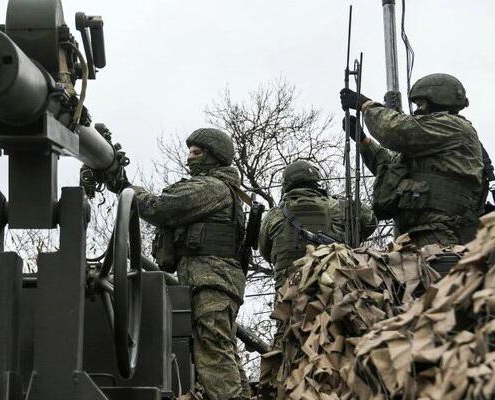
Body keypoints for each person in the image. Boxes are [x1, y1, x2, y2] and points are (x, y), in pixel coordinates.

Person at [128, 128, 251, 400]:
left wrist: (126, 189)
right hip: (212, 281)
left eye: (196, 153)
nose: (189, 159)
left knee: (214, 352)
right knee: (220, 349)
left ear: (213, 156)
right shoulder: (221, 188)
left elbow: (160, 207)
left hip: (211, 280)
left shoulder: (212, 187)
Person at [341, 73, 484, 247]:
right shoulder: (429, 145)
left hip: (445, 236)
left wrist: (367, 105)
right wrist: (364, 142)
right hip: (419, 236)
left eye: (420, 103)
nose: (417, 109)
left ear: (438, 99)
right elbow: (392, 169)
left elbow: (395, 130)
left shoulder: (453, 127)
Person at [258, 160, 376, 290]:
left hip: (289, 291)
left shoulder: (274, 215)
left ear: (286, 185)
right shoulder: (339, 206)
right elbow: (370, 222)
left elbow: (265, 251)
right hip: (332, 289)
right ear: (315, 181)